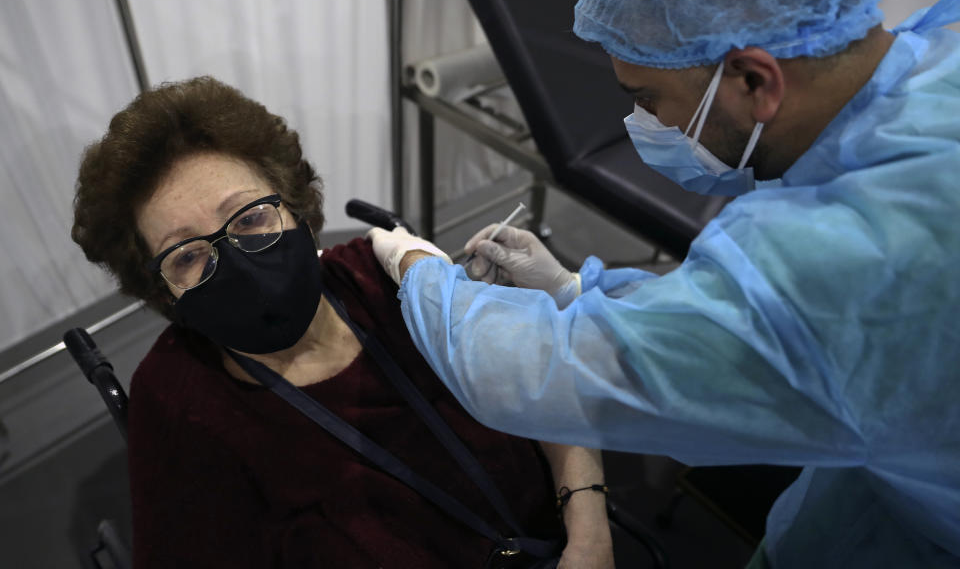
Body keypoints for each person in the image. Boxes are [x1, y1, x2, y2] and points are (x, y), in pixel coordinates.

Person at [367, 0, 960, 567]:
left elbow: (534, 376)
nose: (646, 126)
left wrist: (418, 269)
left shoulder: (846, 260)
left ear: (755, 78)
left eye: (648, 100)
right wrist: (573, 292)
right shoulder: (934, 65)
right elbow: (739, 319)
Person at [70, 76, 615, 568]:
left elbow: (547, 389)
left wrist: (589, 533)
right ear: (159, 288)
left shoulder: (388, 282)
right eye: (186, 254)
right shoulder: (179, 406)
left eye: (252, 216)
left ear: (298, 209)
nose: (234, 259)